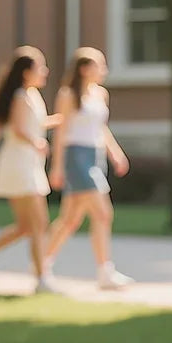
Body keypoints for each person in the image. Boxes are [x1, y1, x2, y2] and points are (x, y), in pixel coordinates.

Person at [0, 46, 60, 293]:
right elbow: (19, 129)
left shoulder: (32, 95)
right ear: (26, 72)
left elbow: (35, 124)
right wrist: (37, 143)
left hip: (28, 163)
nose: (45, 71)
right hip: (20, 164)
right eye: (40, 67)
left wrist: (60, 120)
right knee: (39, 224)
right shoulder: (20, 96)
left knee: (26, 226)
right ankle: (41, 279)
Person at [45, 46, 134, 290]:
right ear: (84, 69)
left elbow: (101, 128)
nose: (104, 70)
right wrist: (57, 167)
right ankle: (105, 272)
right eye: (99, 65)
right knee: (103, 213)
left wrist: (115, 153)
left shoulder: (101, 94)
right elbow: (61, 131)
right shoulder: (68, 95)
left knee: (70, 220)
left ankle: (42, 263)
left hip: (95, 156)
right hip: (75, 156)